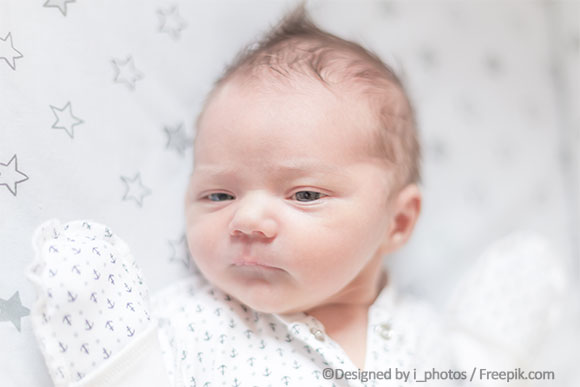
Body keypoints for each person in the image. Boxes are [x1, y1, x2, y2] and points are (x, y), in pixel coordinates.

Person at [27, 5, 567, 387]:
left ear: (398, 223)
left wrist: (487, 353)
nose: (249, 218)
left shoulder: (421, 337)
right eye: (218, 195)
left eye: (305, 194)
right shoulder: (192, 327)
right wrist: (118, 361)